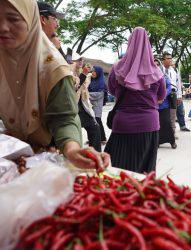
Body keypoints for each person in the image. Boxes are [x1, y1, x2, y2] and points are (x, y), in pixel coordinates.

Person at [0, 0, 109, 171]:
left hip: (44, 159)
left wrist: (72, 150)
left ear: (31, 20)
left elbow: (64, 118)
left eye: (13, 19)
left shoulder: (52, 67)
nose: (3, 27)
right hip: (9, 157)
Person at [105, 27, 166, 174]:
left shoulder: (117, 68)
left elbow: (112, 91)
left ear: (129, 42)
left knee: (118, 172)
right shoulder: (157, 72)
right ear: (148, 44)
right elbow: (161, 97)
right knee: (144, 174)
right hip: (148, 124)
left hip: (123, 124)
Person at [74, 63, 102, 152]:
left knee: (96, 128)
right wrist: (84, 74)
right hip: (72, 109)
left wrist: (86, 74)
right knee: (75, 134)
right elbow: (74, 88)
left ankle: (95, 154)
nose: (80, 62)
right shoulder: (69, 72)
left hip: (85, 107)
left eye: (81, 60)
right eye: (78, 60)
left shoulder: (87, 76)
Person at [154, 58, 177, 149]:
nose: (156, 66)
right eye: (154, 64)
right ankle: (157, 142)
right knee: (156, 124)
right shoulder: (147, 76)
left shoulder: (164, 76)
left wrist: (162, 96)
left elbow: (169, 88)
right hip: (153, 105)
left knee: (167, 122)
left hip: (164, 104)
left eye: (157, 64)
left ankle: (172, 141)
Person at [89, 65, 107, 144]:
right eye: (92, 71)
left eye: (94, 71)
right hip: (90, 105)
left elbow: (99, 94)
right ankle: (93, 139)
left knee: (97, 120)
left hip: (97, 105)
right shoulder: (91, 81)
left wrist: (87, 94)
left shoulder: (101, 82)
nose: (92, 73)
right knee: (90, 122)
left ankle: (102, 138)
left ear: (98, 73)